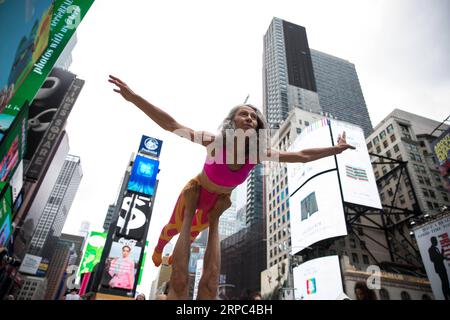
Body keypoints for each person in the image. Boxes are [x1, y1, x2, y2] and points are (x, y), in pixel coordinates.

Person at [109, 75, 355, 300]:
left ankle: (172, 258)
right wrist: (134, 98)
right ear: (232, 121)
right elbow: (171, 124)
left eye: (254, 117)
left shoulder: (258, 154)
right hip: (195, 191)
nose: (250, 118)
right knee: (173, 227)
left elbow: (300, 155)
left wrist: (336, 149)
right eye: (244, 114)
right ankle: (160, 248)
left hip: (216, 204)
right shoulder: (215, 142)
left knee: (193, 235)